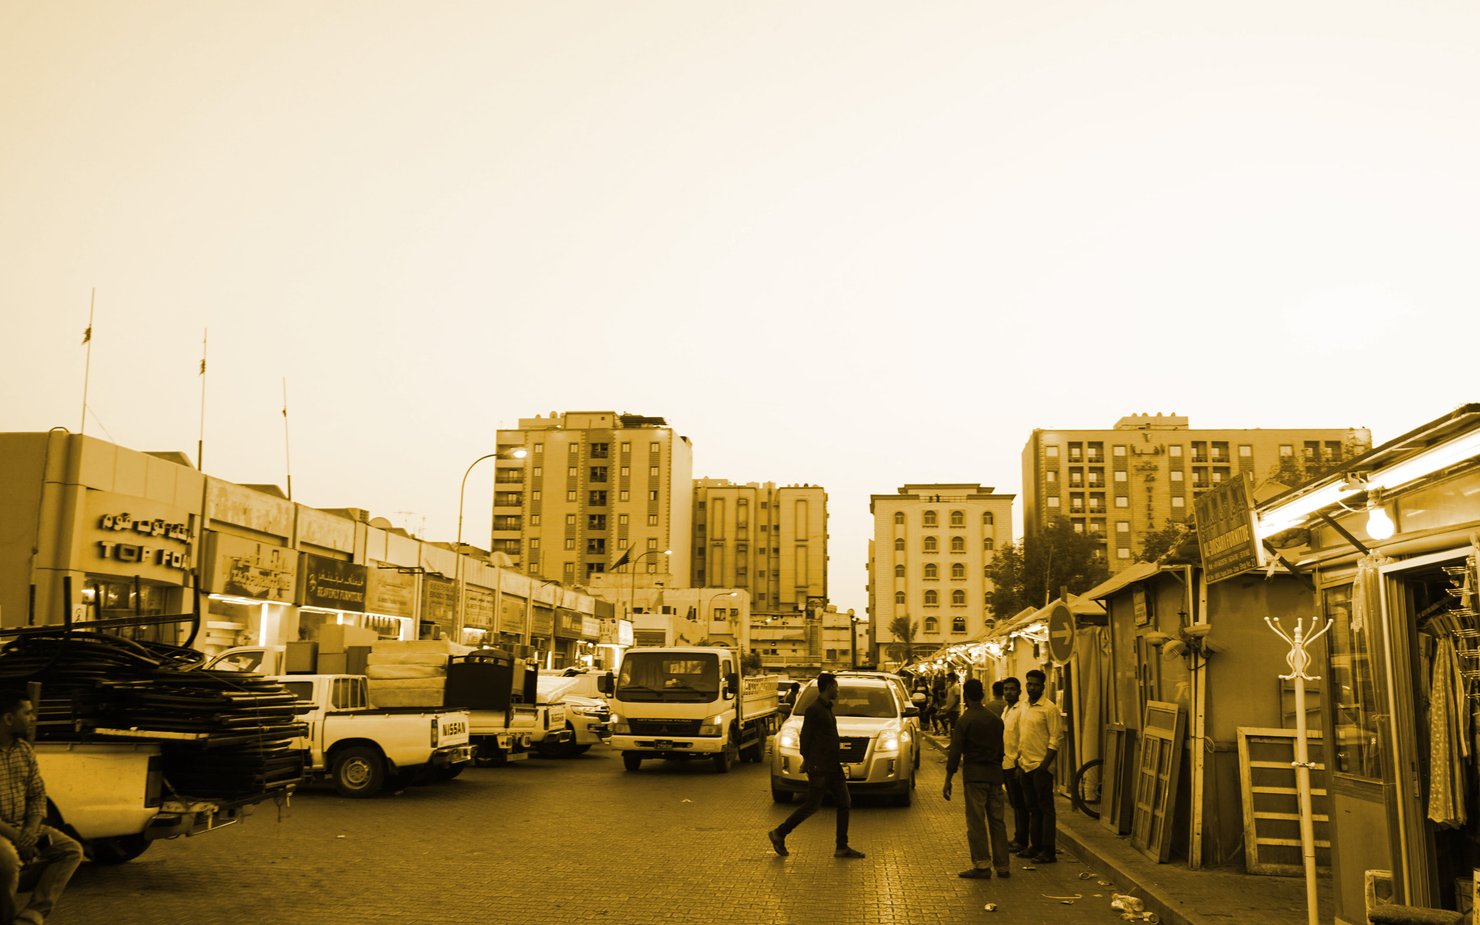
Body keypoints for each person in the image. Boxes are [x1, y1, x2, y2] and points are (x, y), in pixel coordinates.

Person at [0, 691, 82, 925]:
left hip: (23, 828)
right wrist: (18, 838)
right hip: (4, 832)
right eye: (27, 712)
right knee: (6, 861)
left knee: (71, 850)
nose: (33, 718)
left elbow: (37, 796)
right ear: (8, 719)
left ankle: (32, 914)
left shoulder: (24, 751)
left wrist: (30, 831)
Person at [767, 673, 865, 859]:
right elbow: (805, 737)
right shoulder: (815, 709)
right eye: (836, 686)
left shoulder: (826, 708)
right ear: (828, 687)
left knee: (844, 802)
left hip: (832, 765)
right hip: (820, 766)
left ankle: (841, 846)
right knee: (812, 805)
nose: (838, 690)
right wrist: (808, 760)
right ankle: (780, 833)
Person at [943, 678, 1011, 879]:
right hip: (995, 776)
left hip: (974, 777)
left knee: (976, 822)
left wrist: (948, 778)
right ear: (981, 695)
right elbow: (1001, 749)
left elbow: (955, 752)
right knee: (997, 821)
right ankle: (1003, 866)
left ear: (966, 695)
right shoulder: (996, 720)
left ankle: (982, 865)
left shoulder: (965, 721)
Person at [1012, 669, 1063, 863]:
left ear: (1042, 687)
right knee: (1032, 808)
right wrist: (1018, 759)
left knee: (1046, 809)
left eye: (1035, 684)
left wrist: (1044, 766)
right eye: (1029, 684)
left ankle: (1049, 851)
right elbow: (1022, 735)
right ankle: (1035, 846)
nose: (1031, 687)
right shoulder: (1024, 706)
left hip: (1040, 767)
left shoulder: (1049, 709)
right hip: (1025, 765)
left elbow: (1056, 738)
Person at [999, 676, 1031, 855]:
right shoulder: (1007, 710)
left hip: (1016, 764)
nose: (1008, 692)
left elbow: (1023, 737)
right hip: (1006, 763)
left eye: (1012, 689)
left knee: (1020, 804)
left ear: (1019, 691)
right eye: (1006, 689)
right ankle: (1018, 837)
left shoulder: (1021, 711)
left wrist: (1019, 762)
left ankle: (1022, 840)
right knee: (1015, 803)